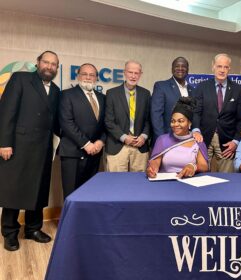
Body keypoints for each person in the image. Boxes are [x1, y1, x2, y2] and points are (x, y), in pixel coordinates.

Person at [0, 51, 60, 251]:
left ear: (56, 69)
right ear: (38, 63)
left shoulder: (56, 90)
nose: (49, 67)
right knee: (14, 190)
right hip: (18, 146)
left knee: (38, 190)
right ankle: (10, 233)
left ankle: (33, 228)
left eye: (53, 64)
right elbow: (6, 111)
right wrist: (4, 143)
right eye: (46, 62)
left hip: (43, 148)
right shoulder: (21, 79)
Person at [192, 53, 241, 173]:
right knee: (201, 176)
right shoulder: (202, 87)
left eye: (225, 67)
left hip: (227, 143)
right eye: (219, 66)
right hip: (204, 139)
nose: (222, 70)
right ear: (213, 66)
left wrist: (236, 141)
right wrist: (195, 130)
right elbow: (196, 112)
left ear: (229, 69)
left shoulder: (238, 90)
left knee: (227, 178)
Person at [59, 63, 106, 199]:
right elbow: (66, 123)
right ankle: (70, 221)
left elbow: (106, 124)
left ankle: (85, 220)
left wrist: (101, 141)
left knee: (89, 193)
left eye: (92, 75)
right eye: (84, 74)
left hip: (95, 153)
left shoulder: (102, 97)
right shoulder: (66, 95)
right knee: (71, 193)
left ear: (96, 78)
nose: (88, 77)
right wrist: (86, 144)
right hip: (72, 153)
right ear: (78, 76)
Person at [105, 60, 151, 172]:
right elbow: (108, 121)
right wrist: (124, 138)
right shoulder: (111, 93)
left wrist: (144, 136)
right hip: (118, 146)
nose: (133, 76)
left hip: (140, 146)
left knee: (139, 185)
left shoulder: (146, 94)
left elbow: (149, 120)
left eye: (136, 73)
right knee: (116, 184)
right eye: (130, 72)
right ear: (124, 72)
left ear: (140, 74)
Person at [147, 97, 208, 178]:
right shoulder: (162, 140)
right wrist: (152, 169)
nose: (175, 124)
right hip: (166, 183)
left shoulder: (197, 140)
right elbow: (155, 162)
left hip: (189, 182)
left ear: (189, 123)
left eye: (180, 121)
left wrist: (193, 166)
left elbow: (204, 166)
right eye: (173, 121)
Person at [151, 57, 194, 143]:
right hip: (167, 139)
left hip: (187, 140)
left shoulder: (193, 90)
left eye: (183, 66)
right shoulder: (161, 86)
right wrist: (162, 139)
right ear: (172, 69)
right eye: (177, 66)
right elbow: (156, 115)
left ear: (188, 69)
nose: (180, 69)